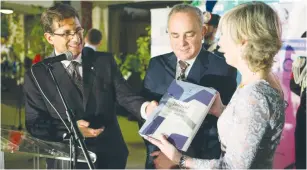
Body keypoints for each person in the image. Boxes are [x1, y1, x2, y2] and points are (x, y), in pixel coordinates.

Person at [145, 1, 285, 169]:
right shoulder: (258, 85)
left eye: (224, 35)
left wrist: (179, 159)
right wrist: (221, 110)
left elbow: (232, 167)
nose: (219, 43)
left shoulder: (254, 95)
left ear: (243, 41)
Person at [24, 3, 157, 169]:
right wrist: (71, 132)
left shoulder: (103, 61)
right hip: (68, 160)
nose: (76, 38)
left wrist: (146, 109)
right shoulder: (38, 74)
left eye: (78, 30)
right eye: (66, 33)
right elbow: (35, 124)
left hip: (110, 157)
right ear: (49, 38)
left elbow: (125, 96)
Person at [140, 4, 237, 169]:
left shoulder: (223, 69)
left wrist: (180, 158)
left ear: (203, 32)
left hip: (200, 161)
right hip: (159, 160)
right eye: (175, 35)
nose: (181, 43)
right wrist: (161, 153)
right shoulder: (156, 64)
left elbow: (223, 125)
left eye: (189, 34)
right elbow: (148, 117)